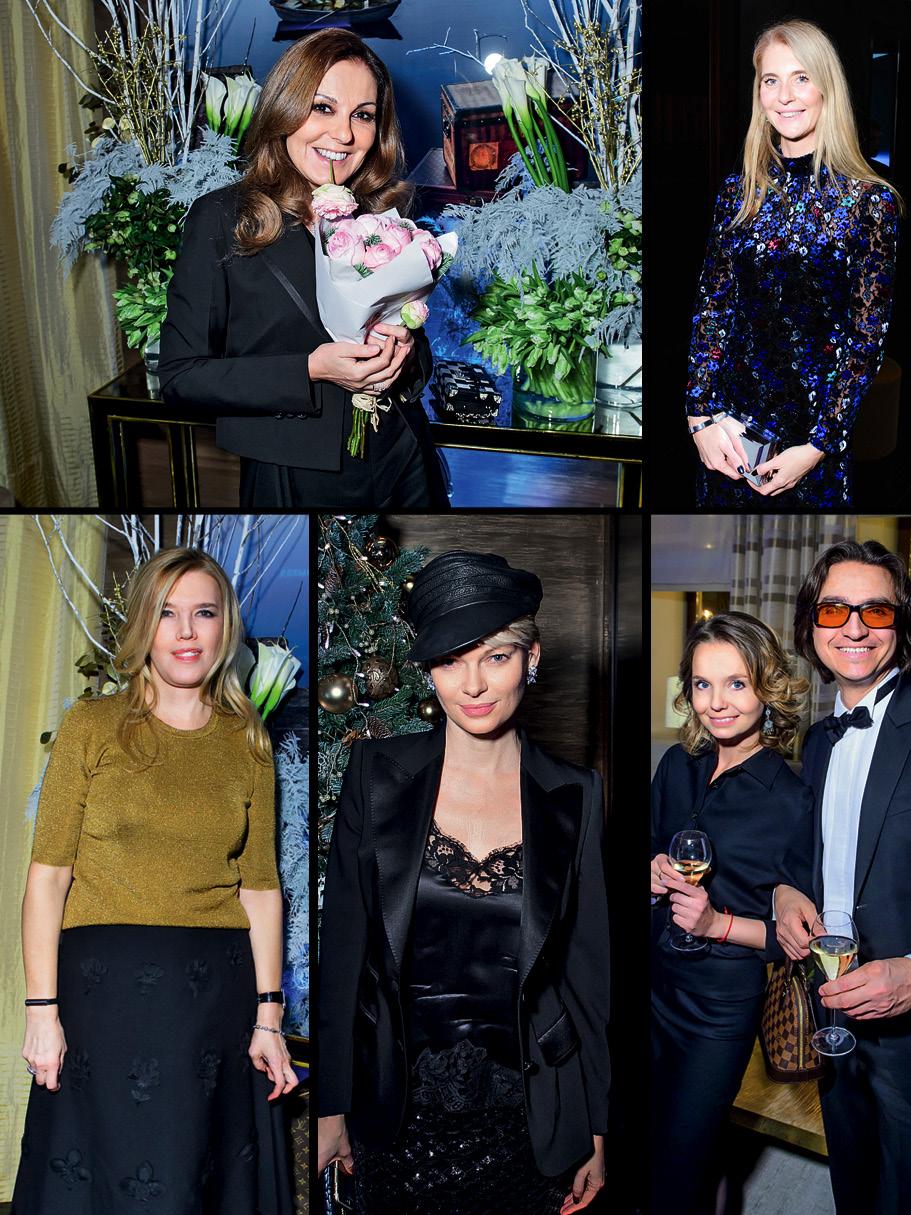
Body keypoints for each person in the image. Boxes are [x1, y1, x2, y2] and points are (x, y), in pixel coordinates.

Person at [315, 551, 609, 1214]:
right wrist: (331, 1105)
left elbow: (589, 978)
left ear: (531, 658)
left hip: (528, 1122)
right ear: (428, 669)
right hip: (396, 1117)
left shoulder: (576, 793)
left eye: (495, 657)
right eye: (450, 660)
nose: (473, 684)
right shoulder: (375, 773)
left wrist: (596, 1127)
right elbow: (344, 956)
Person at [13, 547, 297, 1213]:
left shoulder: (248, 740)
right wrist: (41, 1011)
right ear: (143, 623)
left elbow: (260, 888)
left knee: (195, 1182)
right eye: (168, 613)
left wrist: (270, 1016)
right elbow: (48, 877)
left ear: (226, 625)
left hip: (213, 1003)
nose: (187, 631)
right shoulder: (91, 726)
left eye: (205, 612)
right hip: (102, 999)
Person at [159, 29, 449, 509]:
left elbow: (415, 351)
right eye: (322, 108)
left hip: (404, 458)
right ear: (283, 110)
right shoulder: (223, 218)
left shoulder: (381, 213)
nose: (344, 134)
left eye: (363, 115)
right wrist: (310, 369)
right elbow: (180, 378)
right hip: (292, 473)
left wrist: (404, 354)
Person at [774, 540, 911, 1215]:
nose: (853, 627)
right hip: (835, 1027)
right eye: (834, 609)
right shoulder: (818, 740)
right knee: (851, 1193)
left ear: (900, 625)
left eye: (875, 610)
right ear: (811, 626)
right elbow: (815, 858)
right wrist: (785, 891)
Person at [685, 20, 900, 508]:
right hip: (728, 433)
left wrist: (820, 445)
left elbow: (866, 340)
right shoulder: (738, 193)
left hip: (812, 441)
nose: (785, 96)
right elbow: (713, 308)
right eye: (771, 80)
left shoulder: (870, 202)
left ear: (827, 87)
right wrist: (699, 416)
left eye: (801, 77)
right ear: (758, 93)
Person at [650, 612, 811, 1215]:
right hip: (651, 983)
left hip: (717, 1007)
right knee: (656, 1144)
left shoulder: (792, 799)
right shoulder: (677, 764)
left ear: (768, 687)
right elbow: (647, 845)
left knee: (681, 1162)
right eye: (702, 683)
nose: (716, 702)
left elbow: (795, 938)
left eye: (736, 683)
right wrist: (650, 871)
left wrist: (715, 924)